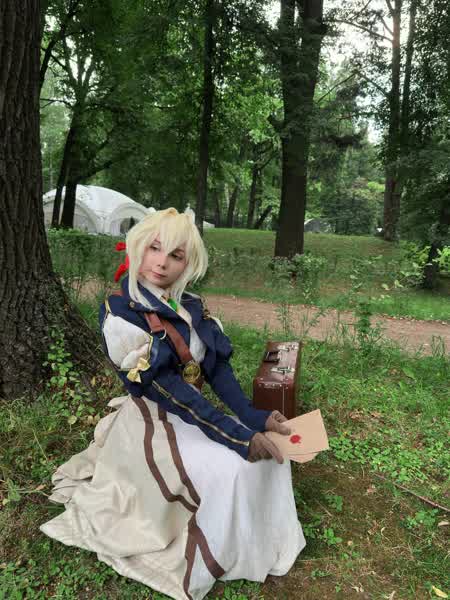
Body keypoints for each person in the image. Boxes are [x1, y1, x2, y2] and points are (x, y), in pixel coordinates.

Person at [40, 208, 306, 600]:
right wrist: (235, 435)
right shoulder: (120, 313)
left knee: (269, 458)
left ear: (188, 264)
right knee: (232, 469)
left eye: (176, 255)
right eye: (154, 248)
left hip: (195, 414)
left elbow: (216, 369)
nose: (162, 262)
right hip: (152, 424)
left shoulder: (191, 305)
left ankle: (265, 541)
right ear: (137, 248)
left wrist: (253, 416)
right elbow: (166, 391)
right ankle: (229, 552)